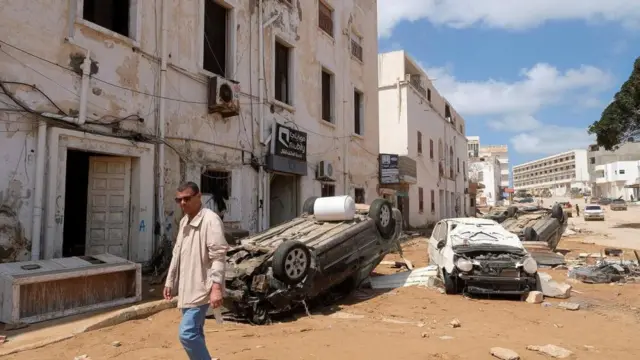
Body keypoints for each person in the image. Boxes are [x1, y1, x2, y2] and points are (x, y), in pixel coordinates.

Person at [164, 181, 229, 360]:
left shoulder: (210, 220)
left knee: (187, 333)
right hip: (187, 288)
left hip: (202, 289)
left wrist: (216, 288)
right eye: (179, 200)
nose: (183, 203)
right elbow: (177, 252)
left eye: (187, 198)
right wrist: (170, 281)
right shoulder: (184, 220)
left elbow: (218, 256)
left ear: (199, 197)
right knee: (196, 332)